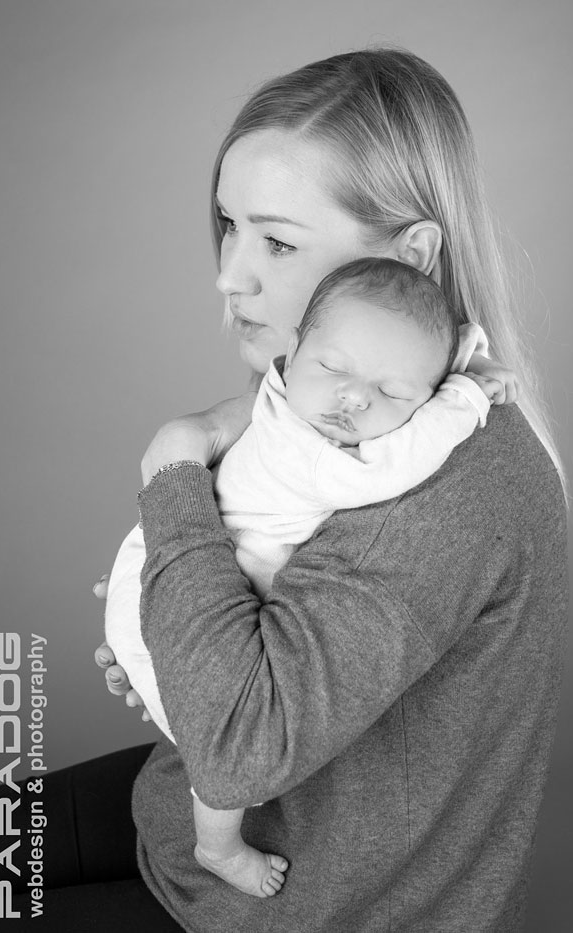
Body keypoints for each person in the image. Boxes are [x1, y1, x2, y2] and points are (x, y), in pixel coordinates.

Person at [0, 48, 568, 932]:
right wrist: (181, 641)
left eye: (279, 241)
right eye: (229, 224)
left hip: (280, 906)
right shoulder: (349, 415)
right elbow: (242, 689)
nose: (230, 274)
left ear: (410, 254)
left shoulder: (447, 484)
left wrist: (175, 465)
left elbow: (234, 750)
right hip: (191, 824)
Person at [103, 256, 516, 899]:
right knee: (224, 745)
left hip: (173, 563)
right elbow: (388, 466)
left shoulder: (282, 394)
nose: (355, 399)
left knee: (212, 723)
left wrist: (468, 359)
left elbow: (387, 358)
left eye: (393, 394)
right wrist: (465, 395)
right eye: (334, 369)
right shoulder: (312, 455)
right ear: (293, 352)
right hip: (172, 584)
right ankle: (217, 846)